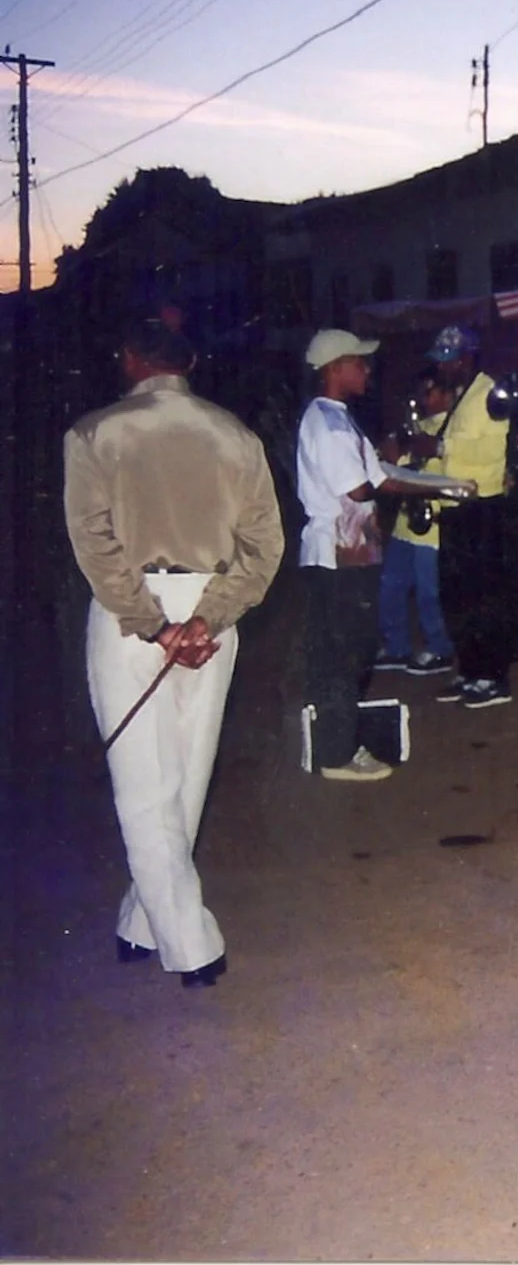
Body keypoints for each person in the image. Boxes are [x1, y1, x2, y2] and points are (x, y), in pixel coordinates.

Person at [64, 323, 285, 988]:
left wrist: (152, 624)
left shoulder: (94, 433)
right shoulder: (235, 435)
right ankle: (143, 919)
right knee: (185, 779)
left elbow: (94, 543)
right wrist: (209, 616)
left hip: (134, 615)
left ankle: (191, 946)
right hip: (211, 611)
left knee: (145, 788)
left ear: (128, 359)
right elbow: (264, 546)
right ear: (190, 362)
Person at [296, 329, 460, 782]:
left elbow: (382, 475)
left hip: (351, 553)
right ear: (334, 369)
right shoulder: (328, 427)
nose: (366, 370)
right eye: (358, 362)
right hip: (337, 556)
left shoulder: (338, 418)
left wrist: (441, 485)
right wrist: (418, 477)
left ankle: (340, 744)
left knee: (354, 651)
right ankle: (337, 753)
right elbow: (363, 487)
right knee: (344, 654)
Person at [416, 325, 516, 709]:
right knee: (457, 597)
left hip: (482, 507)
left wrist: (439, 445)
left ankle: (493, 678)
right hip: (457, 508)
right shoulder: (462, 395)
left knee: (483, 598)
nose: (443, 368)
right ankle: (471, 670)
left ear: (467, 358)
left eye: (449, 360)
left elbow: (488, 450)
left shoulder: (488, 393)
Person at [374, 368, 456, 677]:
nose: (424, 398)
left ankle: (440, 648)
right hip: (406, 522)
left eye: (431, 392)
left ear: (447, 394)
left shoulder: (449, 427)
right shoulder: (416, 425)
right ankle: (397, 647)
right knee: (390, 584)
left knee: (428, 592)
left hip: (430, 526)